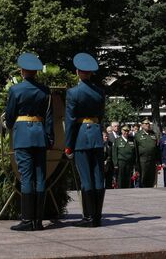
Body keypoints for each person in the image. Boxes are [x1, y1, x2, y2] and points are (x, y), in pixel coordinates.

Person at [6, 53, 53, 231]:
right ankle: (38, 221)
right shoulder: (45, 91)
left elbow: (10, 115)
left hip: (23, 136)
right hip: (40, 135)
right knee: (40, 177)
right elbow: (49, 117)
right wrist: (50, 138)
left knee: (26, 177)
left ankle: (27, 220)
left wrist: (11, 125)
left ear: (22, 70)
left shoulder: (16, 90)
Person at [65, 52, 105, 228]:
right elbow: (101, 116)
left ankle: (88, 217)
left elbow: (71, 120)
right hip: (96, 135)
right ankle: (97, 217)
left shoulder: (73, 93)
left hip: (81, 136)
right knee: (98, 178)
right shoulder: (99, 92)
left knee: (86, 179)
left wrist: (68, 145)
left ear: (77, 72)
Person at [134, 118, 160, 188]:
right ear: (142, 125)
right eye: (145, 124)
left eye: (148, 123)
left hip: (152, 160)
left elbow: (157, 148)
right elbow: (135, 150)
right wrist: (136, 163)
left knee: (151, 177)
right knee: (143, 178)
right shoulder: (138, 135)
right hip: (143, 160)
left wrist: (158, 160)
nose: (147, 125)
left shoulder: (153, 134)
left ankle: (150, 191)